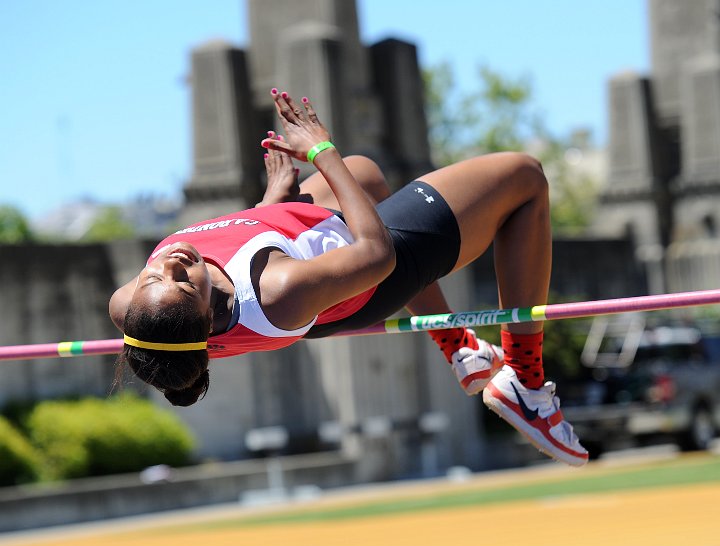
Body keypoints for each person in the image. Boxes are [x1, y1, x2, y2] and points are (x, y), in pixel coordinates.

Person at [110, 89, 588, 467]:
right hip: (376, 271)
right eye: (185, 280)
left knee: (367, 175)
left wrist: (268, 206)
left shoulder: (132, 307)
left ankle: (458, 345)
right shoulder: (279, 290)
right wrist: (320, 149)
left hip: (301, 253)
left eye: (153, 276)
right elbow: (375, 254)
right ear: (204, 311)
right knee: (524, 176)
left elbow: (224, 266)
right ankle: (525, 381)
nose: (170, 260)